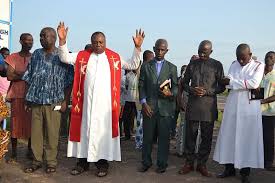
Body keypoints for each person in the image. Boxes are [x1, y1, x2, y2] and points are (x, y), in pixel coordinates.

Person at [57, 22, 145, 177]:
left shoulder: (114, 57)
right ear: (91, 43)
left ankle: (102, 164)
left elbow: (133, 63)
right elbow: (64, 57)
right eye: (95, 42)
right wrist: (62, 40)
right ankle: (82, 163)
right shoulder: (82, 56)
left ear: (105, 43)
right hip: (85, 105)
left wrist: (137, 48)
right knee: (84, 132)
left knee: (102, 135)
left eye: (101, 42)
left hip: (105, 107)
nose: (98, 45)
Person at [23, 27, 73, 174]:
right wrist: (28, 99)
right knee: (36, 133)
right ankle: (36, 160)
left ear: (53, 37)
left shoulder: (62, 55)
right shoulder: (37, 54)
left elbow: (69, 81)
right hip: (37, 100)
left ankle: (51, 162)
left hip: (55, 101)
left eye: (44, 36)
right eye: (40, 36)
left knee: (52, 133)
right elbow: (29, 76)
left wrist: (65, 101)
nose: (41, 39)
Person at [213, 44, 265, 183]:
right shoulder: (233, 64)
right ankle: (228, 168)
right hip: (233, 105)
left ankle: (244, 173)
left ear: (250, 54)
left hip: (249, 108)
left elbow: (254, 83)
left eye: (243, 58)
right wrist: (234, 83)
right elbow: (228, 84)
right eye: (238, 59)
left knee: (246, 139)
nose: (240, 62)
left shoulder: (259, 65)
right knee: (229, 137)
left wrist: (232, 82)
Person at [178, 40, 225, 177]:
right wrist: (192, 89)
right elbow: (184, 83)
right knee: (190, 136)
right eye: (199, 51)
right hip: (193, 106)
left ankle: (202, 164)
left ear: (211, 51)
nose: (201, 54)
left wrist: (207, 92)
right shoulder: (192, 64)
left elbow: (222, 86)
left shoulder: (217, 65)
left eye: (204, 52)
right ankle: (189, 163)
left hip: (208, 108)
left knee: (206, 137)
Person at [138, 39, 178, 174]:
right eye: (158, 49)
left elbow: (177, 88)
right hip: (149, 107)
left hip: (165, 109)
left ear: (167, 50)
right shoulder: (146, 66)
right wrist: (143, 103)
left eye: (163, 50)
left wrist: (170, 93)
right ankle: (146, 162)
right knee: (147, 138)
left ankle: (162, 163)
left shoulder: (172, 68)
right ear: (154, 49)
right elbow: (141, 86)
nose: (160, 52)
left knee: (164, 139)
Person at [5, 33, 33, 163]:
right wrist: (26, 74)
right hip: (17, 95)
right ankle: (14, 154)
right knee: (15, 125)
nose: (29, 43)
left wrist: (18, 73)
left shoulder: (35, 57)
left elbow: (35, 77)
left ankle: (30, 151)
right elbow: (10, 76)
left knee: (32, 125)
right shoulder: (13, 57)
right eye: (26, 40)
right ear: (21, 41)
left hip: (32, 96)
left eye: (31, 41)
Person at [135, 50, 154, 149]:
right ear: (147, 58)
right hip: (141, 101)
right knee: (140, 123)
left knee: (146, 124)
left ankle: (144, 142)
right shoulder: (142, 68)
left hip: (149, 101)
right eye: (152, 57)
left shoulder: (148, 68)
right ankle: (139, 143)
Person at [259, 51, 275, 171]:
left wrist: (263, 101)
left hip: (269, 112)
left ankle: (268, 162)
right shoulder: (258, 74)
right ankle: (257, 159)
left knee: (268, 138)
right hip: (255, 111)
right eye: (267, 56)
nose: (269, 59)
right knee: (256, 137)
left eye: (271, 57)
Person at [120, 62, 141, 141]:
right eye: (135, 66)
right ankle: (127, 135)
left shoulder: (141, 75)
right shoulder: (128, 76)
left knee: (139, 118)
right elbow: (125, 87)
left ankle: (139, 136)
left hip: (138, 101)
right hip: (129, 100)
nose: (136, 67)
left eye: (138, 66)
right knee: (126, 118)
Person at [175, 65, 188, 157]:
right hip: (184, 106)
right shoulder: (184, 76)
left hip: (194, 108)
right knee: (183, 127)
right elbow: (179, 91)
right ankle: (180, 150)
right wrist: (180, 103)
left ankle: (191, 151)